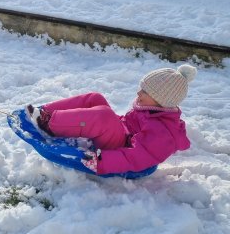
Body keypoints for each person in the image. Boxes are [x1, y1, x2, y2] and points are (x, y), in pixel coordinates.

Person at [26, 64, 196, 175]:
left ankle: (49, 124)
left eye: (145, 92)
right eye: (141, 88)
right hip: (121, 135)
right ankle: (45, 113)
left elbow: (137, 156)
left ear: (162, 100)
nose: (138, 93)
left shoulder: (163, 133)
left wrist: (101, 161)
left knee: (104, 117)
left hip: (120, 151)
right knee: (95, 98)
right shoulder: (153, 109)